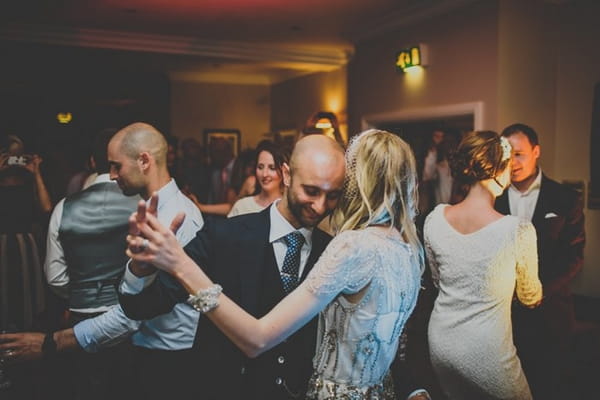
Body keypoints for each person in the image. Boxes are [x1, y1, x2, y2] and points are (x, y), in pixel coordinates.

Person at [122, 129, 425, 399]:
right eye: (311, 191)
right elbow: (143, 306)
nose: (320, 206)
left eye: (332, 195)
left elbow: (363, 337)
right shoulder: (223, 236)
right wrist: (141, 270)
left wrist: (412, 389)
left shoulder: (337, 250)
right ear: (287, 174)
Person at [0, 122, 205, 400]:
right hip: (148, 350)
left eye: (116, 166)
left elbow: (133, 316)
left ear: (144, 161)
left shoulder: (177, 218)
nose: (110, 175)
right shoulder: (152, 211)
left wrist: (52, 343)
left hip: (168, 358)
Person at [424, 130, 543, 399]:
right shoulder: (517, 230)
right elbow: (529, 296)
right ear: (497, 169)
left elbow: (438, 280)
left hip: (441, 343)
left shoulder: (435, 219)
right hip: (487, 352)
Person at [43, 128, 141, 399]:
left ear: (90, 162)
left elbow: (55, 277)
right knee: (126, 388)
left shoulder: (64, 207)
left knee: (86, 387)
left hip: (79, 318)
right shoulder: (143, 205)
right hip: (128, 318)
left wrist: (81, 292)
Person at [495, 123, 585, 399]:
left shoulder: (565, 198)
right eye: (507, 156)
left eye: (519, 154)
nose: (513, 162)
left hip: (551, 312)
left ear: (536, 152)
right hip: (502, 315)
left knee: (550, 383)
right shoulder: (493, 197)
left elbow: (574, 255)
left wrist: (539, 292)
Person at [0, 134, 52, 331]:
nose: (16, 161)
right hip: (2, 246)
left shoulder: (28, 182)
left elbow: (47, 208)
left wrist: (36, 173)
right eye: (11, 155)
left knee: (26, 296)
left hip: (25, 247)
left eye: (19, 156)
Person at [228, 141, 287, 217]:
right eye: (260, 167)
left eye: (272, 168)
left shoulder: (289, 209)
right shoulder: (242, 206)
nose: (264, 174)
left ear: (284, 172)